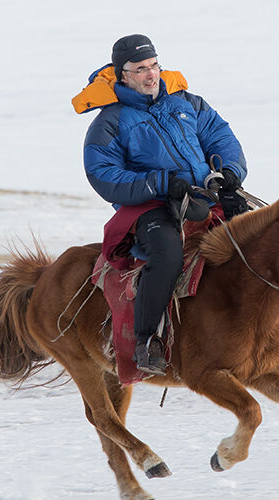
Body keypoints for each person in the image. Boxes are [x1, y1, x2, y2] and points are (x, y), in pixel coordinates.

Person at [72, 34, 249, 375]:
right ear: (122, 75)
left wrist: (230, 173)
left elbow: (220, 135)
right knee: (166, 253)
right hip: (150, 206)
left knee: (256, 234)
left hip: (203, 195)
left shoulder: (188, 101)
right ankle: (146, 339)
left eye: (154, 66)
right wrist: (159, 183)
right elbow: (102, 173)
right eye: (141, 69)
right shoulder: (109, 123)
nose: (151, 75)